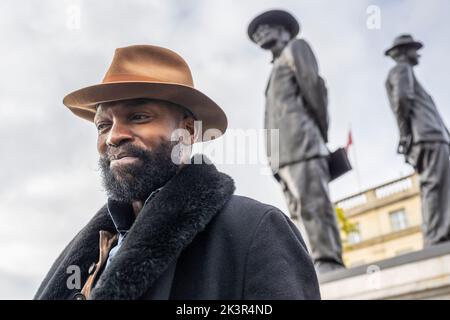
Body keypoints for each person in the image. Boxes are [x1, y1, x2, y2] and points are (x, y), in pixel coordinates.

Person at [34, 44, 320, 300]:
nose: (113, 137)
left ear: (186, 131)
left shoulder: (256, 229)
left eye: (138, 117)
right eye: (103, 125)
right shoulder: (90, 250)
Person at [248, 9, 344, 273]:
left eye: (265, 27)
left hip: (303, 144)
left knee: (314, 205)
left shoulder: (296, 49)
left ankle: (328, 261)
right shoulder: (276, 67)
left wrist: (318, 135)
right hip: (284, 154)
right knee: (300, 211)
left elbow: (314, 90)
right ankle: (314, 263)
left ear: (283, 30)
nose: (259, 34)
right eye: (257, 32)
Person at [385, 34, 450, 246]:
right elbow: (402, 100)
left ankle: (440, 232)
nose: (418, 53)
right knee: (434, 184)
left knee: (440, 186)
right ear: (404, 51)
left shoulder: (406, 72)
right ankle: (436, 236)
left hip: (430, 136)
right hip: (427, 136)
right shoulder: (401, 70)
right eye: (414, 48)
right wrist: (405, 136)